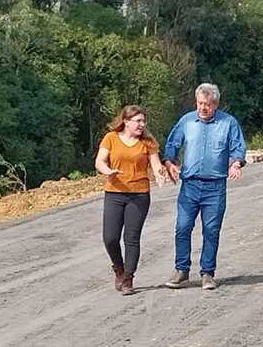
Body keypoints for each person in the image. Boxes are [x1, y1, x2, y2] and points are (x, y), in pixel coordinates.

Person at [162, 84, 247, 291]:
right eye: (200, 103)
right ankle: (181, 270)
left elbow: (238, 147)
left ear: (215, 104)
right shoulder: (187, 121)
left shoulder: (228, 123)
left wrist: (236, 163)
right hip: (189, 185)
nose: (203, 108)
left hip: (215, 187)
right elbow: (172, 144)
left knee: (211, 230)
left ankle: (207, 273)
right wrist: (169, 162)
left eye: (207, 104)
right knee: (182, 227)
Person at [95, 105, 165, 295]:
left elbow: (156, 164)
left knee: (131, 238)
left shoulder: (148, 142)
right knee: (110, 238)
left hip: (139, 194)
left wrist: (159, 174)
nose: (142, 125)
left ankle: (128, 279)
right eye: (138, 121)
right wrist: (108, 171)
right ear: (126, 121)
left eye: (144, 121)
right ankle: (118, 268)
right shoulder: (111, 138)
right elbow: (99, 161)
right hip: (114, 192)